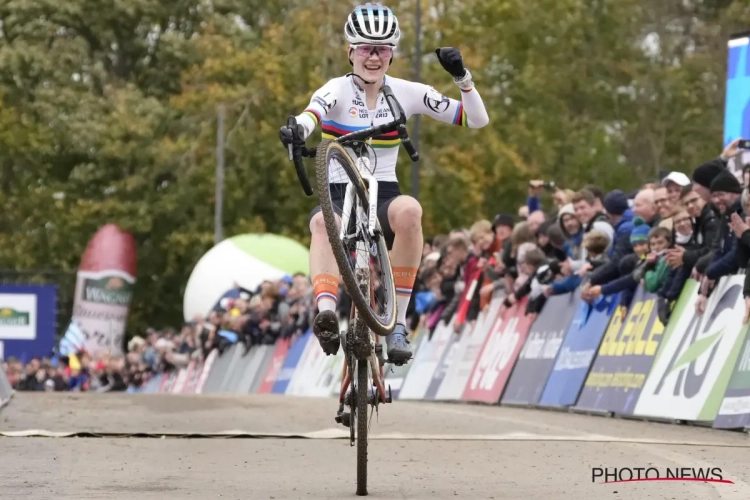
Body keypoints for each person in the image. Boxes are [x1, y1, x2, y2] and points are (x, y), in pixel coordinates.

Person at [278, 3, 489, 362]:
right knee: (320, 223)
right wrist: (297, 129)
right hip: (339, 194)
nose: (373, 57)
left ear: (392, 54)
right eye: (365, 48)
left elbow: (476, 119)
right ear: (350, 51)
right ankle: (327, 312)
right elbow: (311, 115)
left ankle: (400, 325)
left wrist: (462, 78)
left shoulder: (406, 93)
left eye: (382, 49)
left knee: (410, 211)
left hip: (383, 194)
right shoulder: (337, 89)